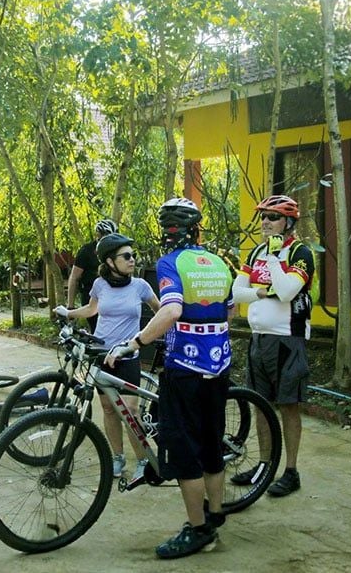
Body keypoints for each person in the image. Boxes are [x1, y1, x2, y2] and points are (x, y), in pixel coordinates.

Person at [106, 198, 234, 559]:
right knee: (212, 442)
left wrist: (136, 343)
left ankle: (198, 530)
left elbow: (172, 309)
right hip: (219, 365)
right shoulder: (219, 263)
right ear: (196, 230)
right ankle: (215, 514)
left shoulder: (170, 262)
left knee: (184, 449)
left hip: (185, 369)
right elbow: (230, 310)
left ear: (167, 233)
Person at [55, 233, 160, 482]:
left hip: (127, 355)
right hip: (101, 355)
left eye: (133, 255)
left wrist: (150, 336)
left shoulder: (140, 286)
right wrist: (68, 313)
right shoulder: (100, 285)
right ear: (110, 262)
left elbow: (160, 311)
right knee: (108, 410)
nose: (132, 260)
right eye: (126, 256)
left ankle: (144, 460)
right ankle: (117, 457)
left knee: (130, 411)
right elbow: (92, 309)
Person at [230, 194, 314, 498]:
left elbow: (288, 291)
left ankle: (291, 471)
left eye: (273, 217)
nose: (265, 222)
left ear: (288, 222)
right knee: (260, 404)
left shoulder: (300, 253)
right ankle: (264, 466)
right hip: (258, 338)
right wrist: (263, 292)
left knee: (288, 406)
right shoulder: (256, 252)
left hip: (287, 339)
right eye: (263, 216)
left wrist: (276, 259)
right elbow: (236, 292)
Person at [67, 218, 117, 331]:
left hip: (111, 295)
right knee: (98, 329)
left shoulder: (115, 251)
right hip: (91, 295)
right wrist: (70, 305)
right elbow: (74, 277)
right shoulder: (86, 251)